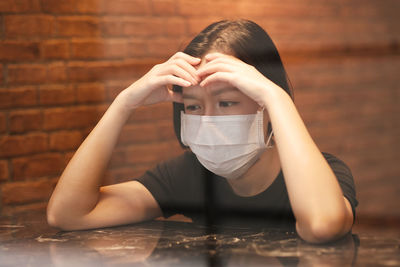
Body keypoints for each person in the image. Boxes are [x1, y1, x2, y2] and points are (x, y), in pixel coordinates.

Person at [47, 19, 358, 244]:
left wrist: (277, 96)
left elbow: (323, 225)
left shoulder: (326, 172)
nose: (208, 120)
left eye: (226, 102)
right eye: (194, 107)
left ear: (265, 104)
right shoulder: (188, 174)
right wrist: (123, 103)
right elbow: (69, 214)